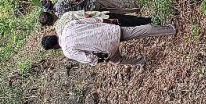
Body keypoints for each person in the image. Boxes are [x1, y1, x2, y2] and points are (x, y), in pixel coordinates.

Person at [41, 19, 176, 66]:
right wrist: (109, 21)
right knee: (139, 31)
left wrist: (101, 60)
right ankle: (169, 30)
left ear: (54, 47)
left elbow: (88, 58)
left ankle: (140, 61)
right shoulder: (68, 26)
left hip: (106, 48)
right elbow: (92, 20)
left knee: (118, 60)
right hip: (110, 31)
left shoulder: (67, 51)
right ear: (53, 35)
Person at [40, 10, 152, 35]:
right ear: (52, 15)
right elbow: (87, 16)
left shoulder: (60, 33)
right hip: (103, 19)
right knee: (129, 21)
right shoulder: (66, 16)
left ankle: (148, 29)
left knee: (130, 32)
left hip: (100, 33)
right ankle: (150, 22)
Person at [43, 0, 141, 15]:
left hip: (91, 14)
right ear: (49, 2)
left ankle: (133, 10)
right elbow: (75, 0)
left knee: (113, 12)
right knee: (114, 2)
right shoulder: (59, 3)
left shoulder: (59, 15)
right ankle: (135, 4)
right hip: (90, 3)